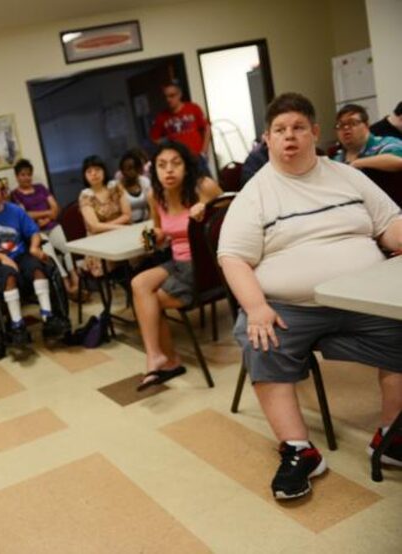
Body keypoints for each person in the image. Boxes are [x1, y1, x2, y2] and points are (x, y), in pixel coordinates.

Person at [217, 92, 402, 501]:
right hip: (290, 307)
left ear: (315, 133)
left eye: (299, 128)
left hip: (361, 297)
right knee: (257, 335)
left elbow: (390, 225)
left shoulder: (348, 176)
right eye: (280, 130)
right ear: (267, 138)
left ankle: (391, 437)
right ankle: (299, 450)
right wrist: (257, 307)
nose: (290, 137)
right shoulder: (256, 193)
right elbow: (232, 258)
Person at [132, 141, 222, 391]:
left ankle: (168, 360)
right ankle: (156, 356)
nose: (168, 171)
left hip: (204, 266)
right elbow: (160, 228)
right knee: (139, 283)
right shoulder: (156, 196)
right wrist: (157, 235)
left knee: (150, 302)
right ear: (154, 171)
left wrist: (208, 209)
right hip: (177, 261)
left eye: (175, 163)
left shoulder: (203, 187)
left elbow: (233, 211)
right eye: (161, 166)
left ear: (187, 166)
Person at [0, 173, 70, 343]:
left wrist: (34, 247)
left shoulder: (15, 210)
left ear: (0, 188)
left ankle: (48, 317)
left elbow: (33, 232)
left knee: (37, 268)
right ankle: (17, 324)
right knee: (9, 275)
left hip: (20, 255)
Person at [10, 158, 80, 297]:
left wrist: (47, 217)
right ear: (17, 177)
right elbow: (24, 215)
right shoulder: (15, 195)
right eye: (23, 175)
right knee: (50, 255)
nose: (26, 178)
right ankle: (65, 284)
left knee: (67, 248)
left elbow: (56, 208)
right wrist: (47, 213)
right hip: (36, 232)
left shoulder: (41, 188)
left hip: (52, 226)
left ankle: (75, 279)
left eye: (29, 174)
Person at [78, 155, 132, 277]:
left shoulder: (116, 187)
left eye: (97, 170)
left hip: (123, 233)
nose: (94, 174)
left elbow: (127, 215)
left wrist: (108, 226)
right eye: (89, 171)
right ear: (85, 176)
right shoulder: (85, 196)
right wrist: (119, 227)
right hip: (99, 240)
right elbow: (95, 227)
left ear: (104, 171)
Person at [150, 82, 212, 175]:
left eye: (172, 96)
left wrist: (204, 152)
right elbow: (154, 138)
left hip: (197, 158)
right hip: (177, 162)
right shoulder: (161, 117)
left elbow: (206, 128)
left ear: (179, 94)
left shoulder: (193, 108)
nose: (168, 99)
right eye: (166, 97)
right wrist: (169, 144)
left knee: (208, 186)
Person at [332, 103, 402, 172]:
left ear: (367, 125)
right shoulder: (337, 159)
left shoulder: (385, 143)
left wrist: (357, 163)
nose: (346, 128)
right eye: (340, 125)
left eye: (352, 123)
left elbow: (398, 161)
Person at [114, 149, 152, 223]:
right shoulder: (117, 187)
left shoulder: (144, 181)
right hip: (127, 224)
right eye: (129, 169)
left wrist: (150, 221)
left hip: (147, 220)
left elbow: (151, 206)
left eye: (135, 168)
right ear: (122, 170)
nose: (133, 171)